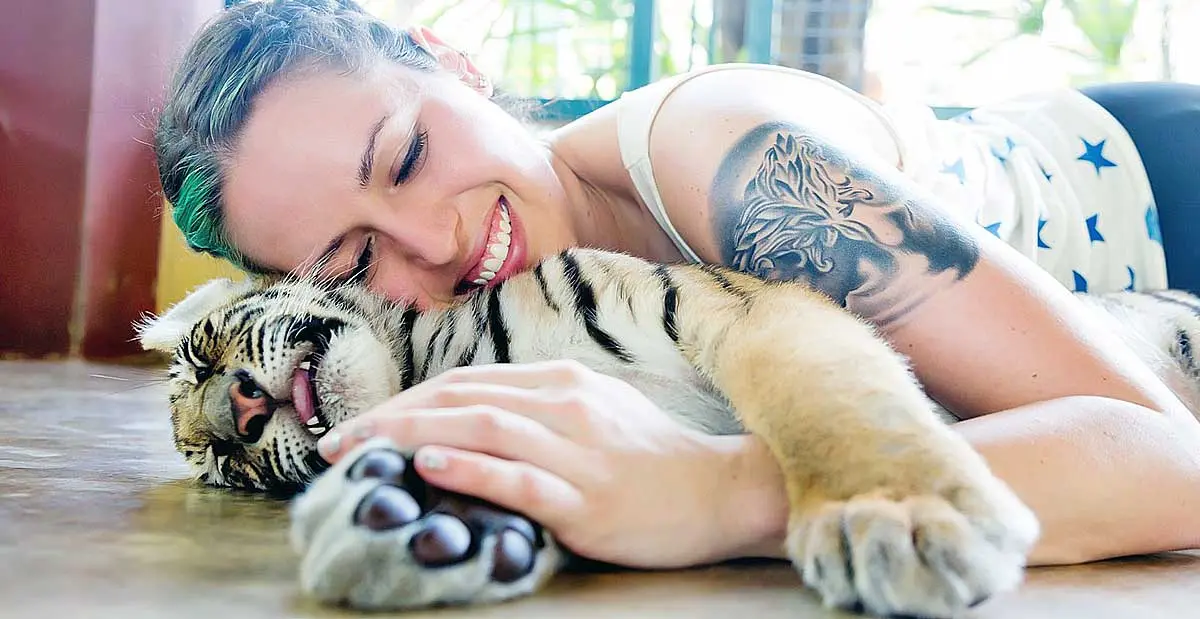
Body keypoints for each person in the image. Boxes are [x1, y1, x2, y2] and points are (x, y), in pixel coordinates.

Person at [155, 0, 1200, 569]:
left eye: (408, 155)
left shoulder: (729, 162)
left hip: (1166, 188)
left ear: (455, 63)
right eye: (353, 261)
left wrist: (717, 492)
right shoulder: (484, 317)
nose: (434, 243)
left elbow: (1172, 463)